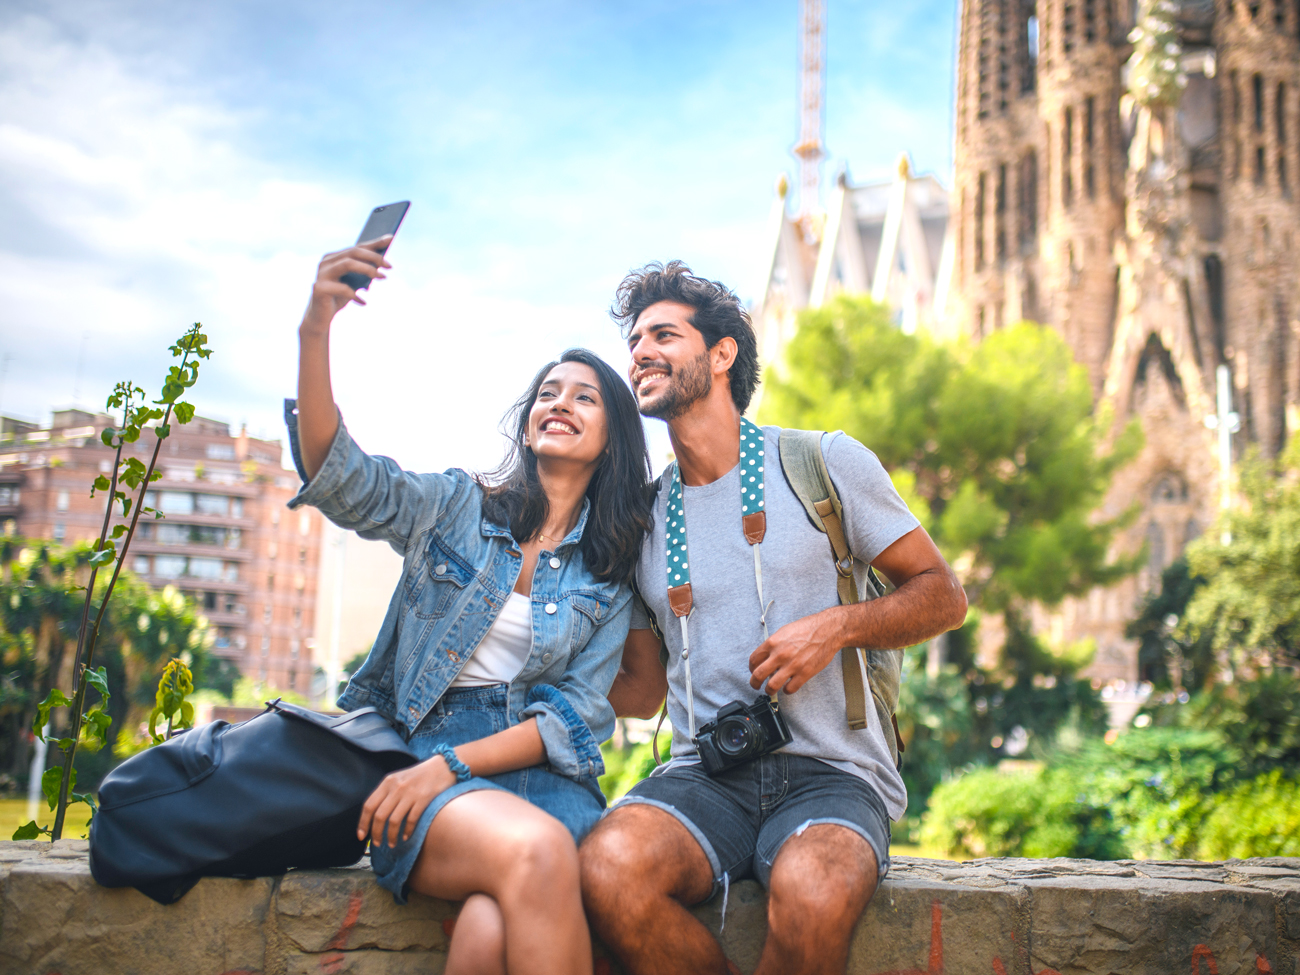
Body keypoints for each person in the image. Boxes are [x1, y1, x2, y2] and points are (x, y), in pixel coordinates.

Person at [579, 261, 969, 975]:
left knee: (815, 890)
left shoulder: (822, 462)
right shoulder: (642, 517)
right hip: (703, 774)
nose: (639, 352)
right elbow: (640, 690)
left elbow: (945, 594)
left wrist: (836, 627)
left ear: (721, 353)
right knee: (607, 866)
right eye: (634, 341)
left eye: (663, 333)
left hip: (834, 772)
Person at [288, 235, 651, 975]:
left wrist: (455, 764)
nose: (560, 402)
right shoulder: (455, 507)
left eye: (584, 396)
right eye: (548, 391)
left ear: (612, 436)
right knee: (538, 852)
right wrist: (315, 328)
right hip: (418, 764)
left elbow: (573, 719)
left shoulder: (608, 571)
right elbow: (342, 475)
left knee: (486, 932)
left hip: (542, 779)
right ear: (527, 419)